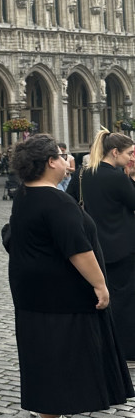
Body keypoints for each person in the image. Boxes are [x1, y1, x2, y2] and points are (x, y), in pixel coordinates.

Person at [5, 134, 132, 418]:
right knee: (60, 352)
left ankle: (44, 406)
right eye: (62, 157)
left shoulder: (25, 194)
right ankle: (49, 417)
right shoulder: (57, 202)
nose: (67, 161)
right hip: (61, 297)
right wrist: (100, 285)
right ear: (50, 162)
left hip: (33, 294)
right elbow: (78, 250)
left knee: (43, 351)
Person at [76, 129, 135, 361]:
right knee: (126, 300)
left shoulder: (84, 174)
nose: (130, 158)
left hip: (95, 247)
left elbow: (72, 201)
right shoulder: (117, 177)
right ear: (115, 152)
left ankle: (100, 345)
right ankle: (126, 349)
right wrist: (132, 178)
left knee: (102, 297)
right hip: (123, 246)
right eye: (129, 153)